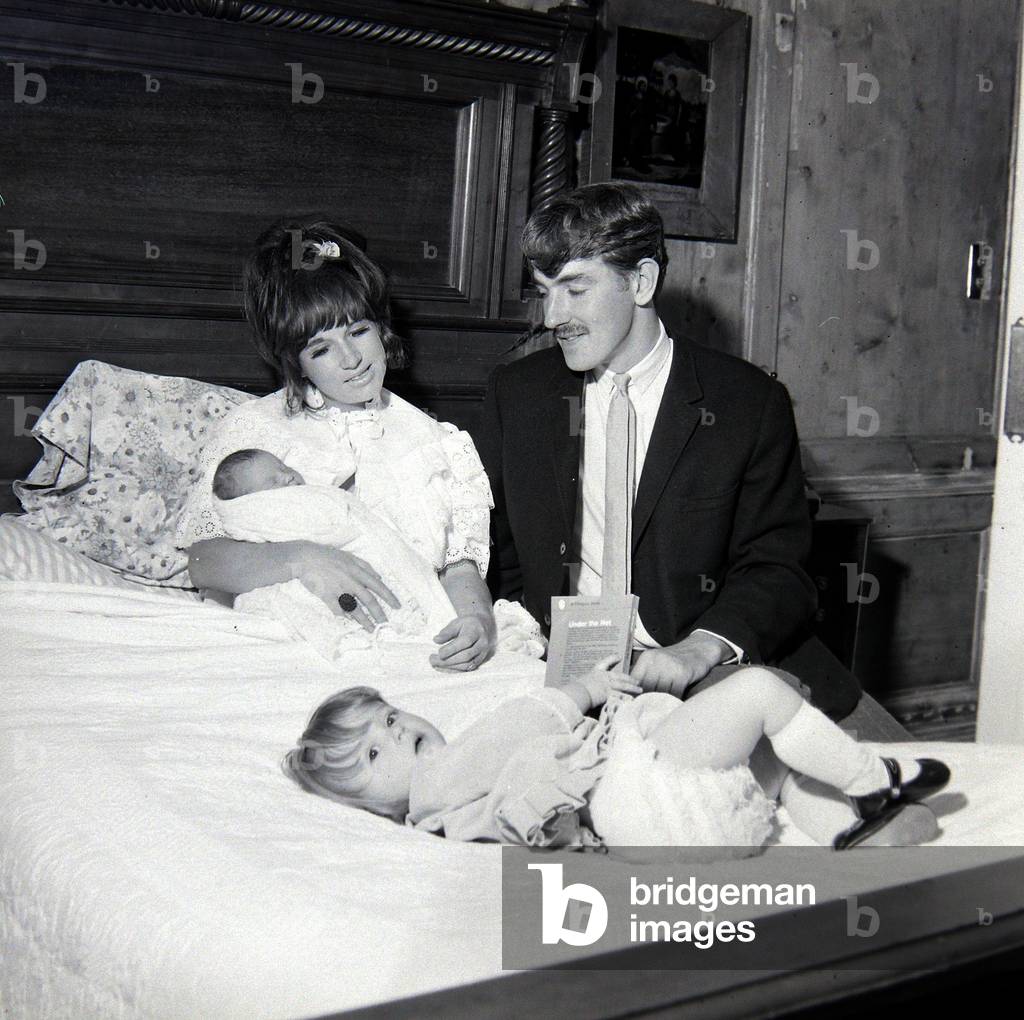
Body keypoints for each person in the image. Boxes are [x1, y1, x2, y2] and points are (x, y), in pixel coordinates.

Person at [478, 182, 861, 717]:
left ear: (641, 281)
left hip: (703, 659)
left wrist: (699, 650)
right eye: (545, 290)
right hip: (560, 668)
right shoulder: (516, 393)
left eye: (575, 288)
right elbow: (496, 547)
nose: (551, 315)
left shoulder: (749, 404)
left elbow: (779, 567)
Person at [176, 220, 496, 672]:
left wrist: (476, 619)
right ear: (297, 365)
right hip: (284, 645)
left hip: (406, 644)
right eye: (320, 349)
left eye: (358, 331)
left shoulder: (439, 442)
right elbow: (205, 563)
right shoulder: (256, 429)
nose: (352, 360)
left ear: (381, 329)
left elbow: (459, 567)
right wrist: (303, 559)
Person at [282, 664, 949, 852]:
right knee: (759, 692)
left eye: (391, 716)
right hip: (630, 799)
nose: (396, 732)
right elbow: (521, 721)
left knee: (762, 765)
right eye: (373, 751)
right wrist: (584, 690)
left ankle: (850, 828)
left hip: (663, 833)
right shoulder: (443, 779)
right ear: (371, 806)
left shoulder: (451, 818)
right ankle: (871, 779)